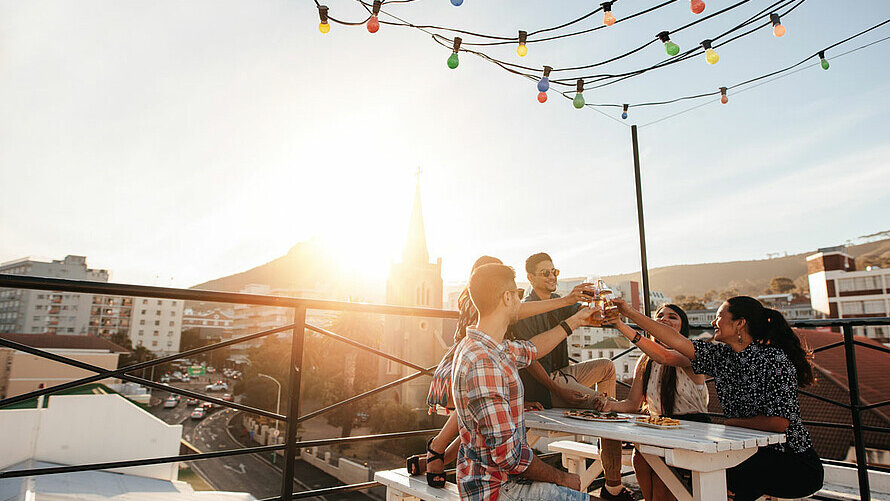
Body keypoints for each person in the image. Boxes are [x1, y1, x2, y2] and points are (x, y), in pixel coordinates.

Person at [406, 255, 598, 487]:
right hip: (471, 362)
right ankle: (437, 450)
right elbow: (522, 312)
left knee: (479, 421)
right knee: (477, 411)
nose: (516, 298)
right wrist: (566, 301)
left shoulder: (498, 344)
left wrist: (574, 319)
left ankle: (437, 455)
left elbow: (530, 348)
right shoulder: (477, 308)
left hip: (482, 357)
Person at [613, 296, 824, 501]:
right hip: (744, 453)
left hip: (790, 461)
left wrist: (732, 423)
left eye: (719, 316)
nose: (713, 322)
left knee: (695, 474)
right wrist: (627, 313)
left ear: (740, 324)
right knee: (670, 468)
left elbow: (778, 424)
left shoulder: (774, 360)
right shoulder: (722, 356)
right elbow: (672, 343)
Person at [513, 252, 632, 501]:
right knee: (607, 410)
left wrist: (604, 308)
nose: (551, 276)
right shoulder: (526, 308)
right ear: (530, 278)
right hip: (542, 383)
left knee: (607, 367)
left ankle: (611, 478)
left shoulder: (559, 301)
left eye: (554, 271)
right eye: (545, 272)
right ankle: (613, 483)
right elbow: (529, 358)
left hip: (563, 374)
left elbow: (592, 316)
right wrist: (559, 391)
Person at [603, 303, 709, 501]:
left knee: (662, 468)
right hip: (659, 428)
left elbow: (665, 356)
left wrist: (621, 324)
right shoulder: (644, 361)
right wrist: (607, 405)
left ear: (682, 328)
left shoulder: (690, 354)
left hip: (691, 429)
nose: (664, 319)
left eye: (673, 317)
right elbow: (632, 404)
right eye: (659, 316)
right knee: (640, 458)